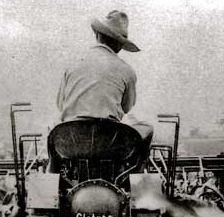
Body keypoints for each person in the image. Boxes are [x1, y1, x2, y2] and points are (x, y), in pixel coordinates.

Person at [56, 10, 154, 159]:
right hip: (109, 143)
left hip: (71, 142)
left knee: (54, 126)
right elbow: (126, 108)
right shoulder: (126, 70)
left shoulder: (73, 64)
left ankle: (59, 175)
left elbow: (60, 104)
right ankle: (130, 172)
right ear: (120, 45)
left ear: (97, 35)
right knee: (147, 128)